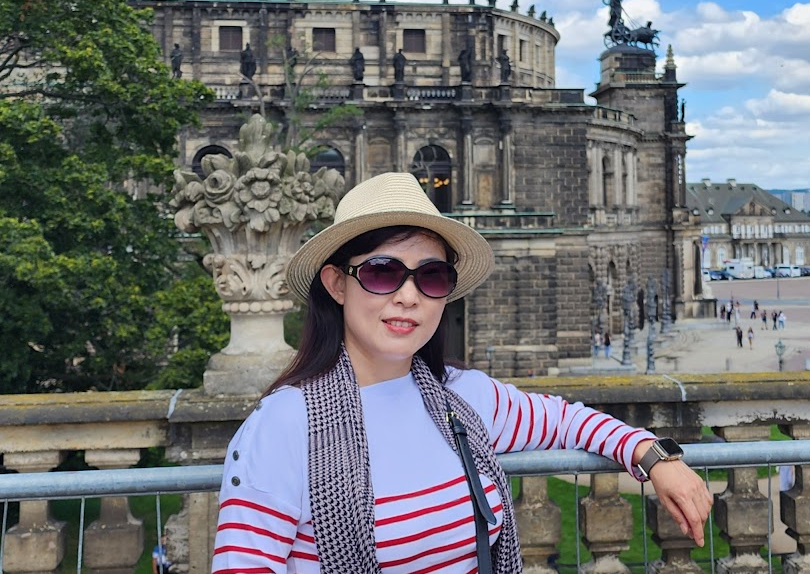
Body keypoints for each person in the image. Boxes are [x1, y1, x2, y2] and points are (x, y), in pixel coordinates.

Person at [212, 173, 712, 573]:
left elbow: (568, 420)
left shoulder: (464, 398)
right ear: (337, 284)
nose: (408, 296)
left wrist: (655, 456)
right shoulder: (284, 424)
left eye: (431, 276)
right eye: (383, 272)